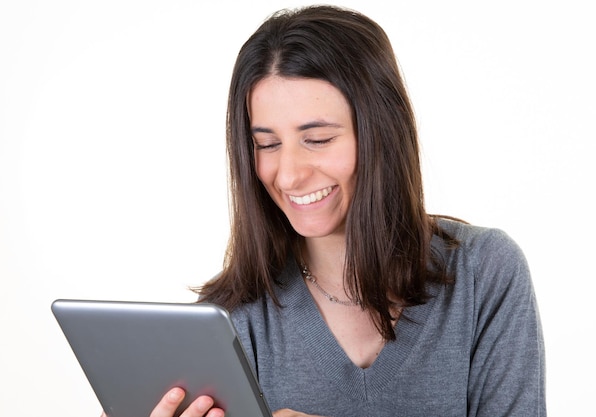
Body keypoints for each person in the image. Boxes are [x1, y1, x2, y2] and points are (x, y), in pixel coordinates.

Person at [105, 4, 546, 417]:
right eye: (267, 144)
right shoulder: (228, 321)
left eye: (317, 139)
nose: (290, 175)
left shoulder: (483, 273)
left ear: (381, 134)